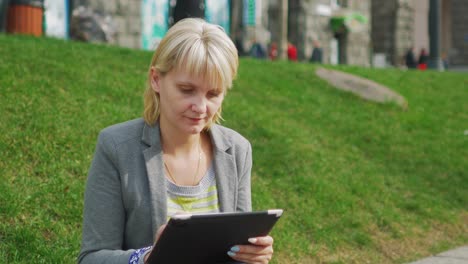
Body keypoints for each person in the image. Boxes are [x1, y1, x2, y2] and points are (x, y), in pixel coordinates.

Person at [78, 18, 275, 264]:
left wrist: (252, 255)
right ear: (156, 80)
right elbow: (92, 258)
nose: (201, 107)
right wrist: (147, 257)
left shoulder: (237, 150)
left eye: (213, 93)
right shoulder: (116, 147)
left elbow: (236, 252)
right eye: (186, 89)